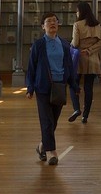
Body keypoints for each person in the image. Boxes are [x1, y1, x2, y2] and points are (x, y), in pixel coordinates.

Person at [25, 11, 74, 165]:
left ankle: (41, 146)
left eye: (54, 21)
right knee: (46, 120)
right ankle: (51, 152)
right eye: (48, 21)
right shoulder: (39, 45)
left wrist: (74, 85)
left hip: (59, 87)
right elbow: (31, 67)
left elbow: (69, 66)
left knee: (53, 122)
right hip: (43, 87)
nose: (52, 23)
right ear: (43, 26)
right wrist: (30, 88)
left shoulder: (65, 44)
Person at [68, 1, 101, 124]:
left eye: (77, 11)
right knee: (89, 87)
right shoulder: (97, 25)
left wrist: (70, 46)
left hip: (79, 57)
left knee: (73, 84)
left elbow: (75, 43)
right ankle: (85, 116)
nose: (76, 13)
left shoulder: (77, 25)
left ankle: (76, 109)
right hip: (92, 58)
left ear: (81, 12)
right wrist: (90, 50)